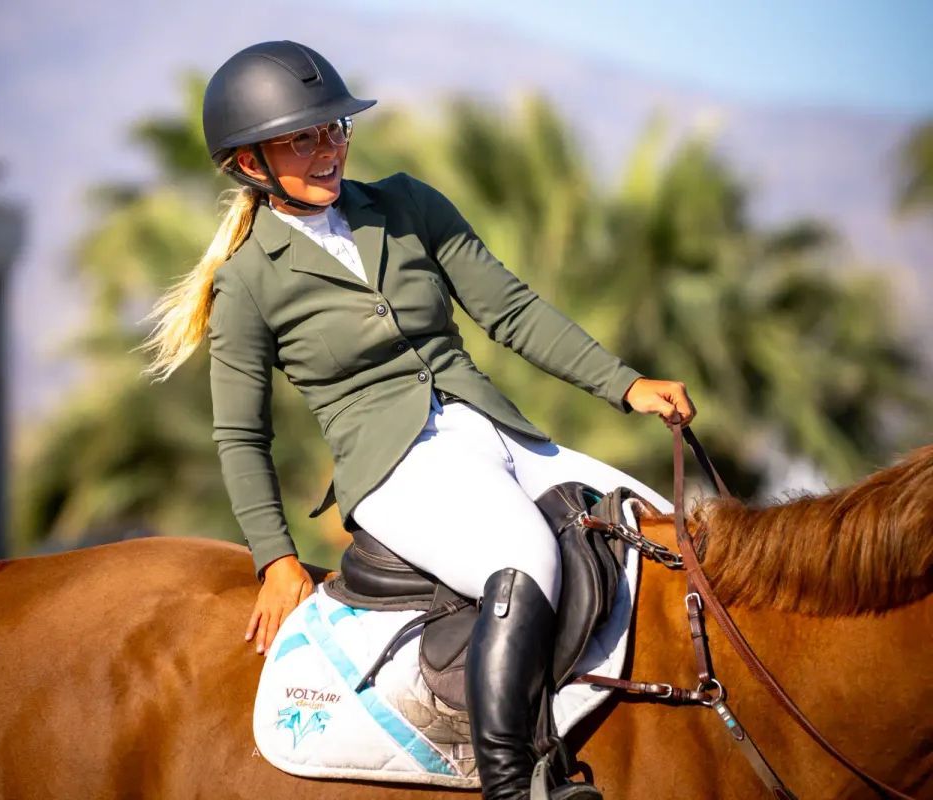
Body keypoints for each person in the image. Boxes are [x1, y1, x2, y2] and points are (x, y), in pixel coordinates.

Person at [137, 40, 695, 800]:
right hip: (396, 466)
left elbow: (510, 309)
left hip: (490, 426)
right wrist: (275, 558)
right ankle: (513, 781)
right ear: (248, 164)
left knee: (660, 527)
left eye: (334, 128)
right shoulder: (249, 282)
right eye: (302, 137)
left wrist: (625, 386)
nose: (328, 148)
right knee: (526, 555)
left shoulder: (404, 204)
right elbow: (240, 436)